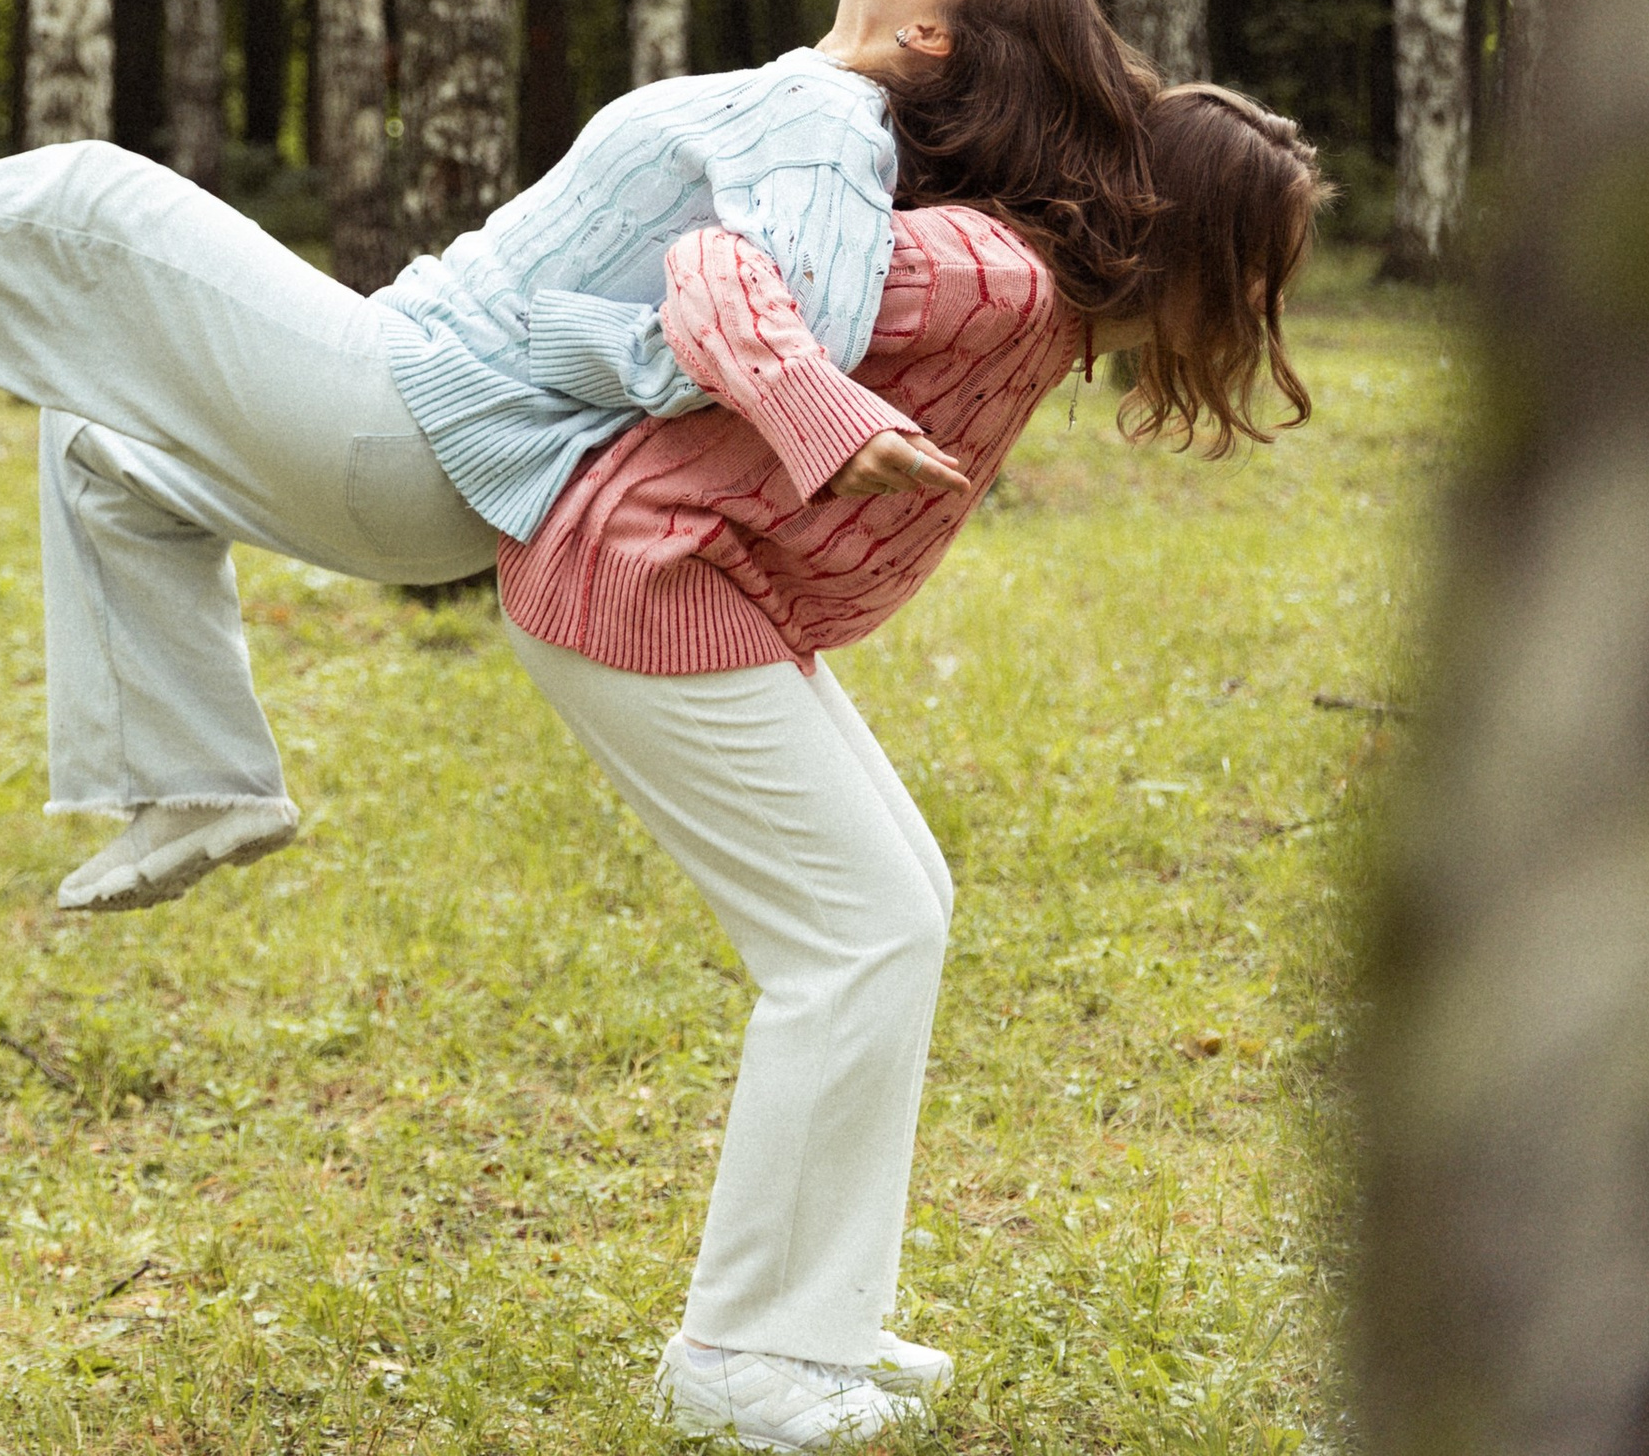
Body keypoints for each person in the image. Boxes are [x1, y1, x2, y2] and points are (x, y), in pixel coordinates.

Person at [0, 0, 1146, 915]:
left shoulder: (827, 121)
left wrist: (583, 346)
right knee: (105, 432)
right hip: (412, 424)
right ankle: (199, 784)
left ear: (931, 34)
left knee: (84, 205)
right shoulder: (809, 103)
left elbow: (747, 330)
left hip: (415, 415)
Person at [504, 79, 1327, 1451]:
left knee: (903, 909)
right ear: (1192, 236)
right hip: (635, 575)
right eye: (1260, 263)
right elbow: (715, 262)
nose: (1265, 302)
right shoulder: (994, 276)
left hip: (711, 588)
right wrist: (817, 409)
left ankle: (813, 1325)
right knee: (859, 932)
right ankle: (736, 1357)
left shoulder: (1042, 318)